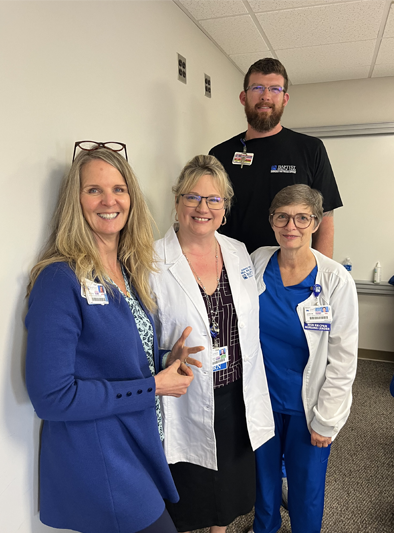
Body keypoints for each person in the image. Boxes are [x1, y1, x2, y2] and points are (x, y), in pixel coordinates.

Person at [25, 142, 204, 533]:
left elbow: (112, 356)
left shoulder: (128, 269)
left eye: (119, 189)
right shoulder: (60, 280)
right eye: (94, 190)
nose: (109, 200)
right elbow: (52, 397)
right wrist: (154, 385)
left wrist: (161, 359)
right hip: (101, 459)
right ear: (76, 200)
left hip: (136, 444)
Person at [149, 155, 274, 533]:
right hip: (185, 394)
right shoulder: (151, 259)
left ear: (225, 207)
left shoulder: (237, 252)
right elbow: (140, 331)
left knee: (230, 495)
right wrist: (162, 357)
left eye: (214, 199)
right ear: (176, 201)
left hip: (236, 393)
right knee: (190, 495)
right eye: (192, 197)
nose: (203, 208)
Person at [249, 184, 358, 533]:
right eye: (282, 216)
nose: (290, 225)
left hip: (308, 405)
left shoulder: (335, 280)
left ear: (314, 223)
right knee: (263, 483)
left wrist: (327, 419)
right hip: (262, 400)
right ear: (271, 220)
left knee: (306, 489)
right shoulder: (257, 261)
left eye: (301, 217)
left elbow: (343, 358)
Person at [209, 58, 342, 257]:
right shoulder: (220, 155)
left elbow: (325, 217)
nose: (265, 96)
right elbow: (209, 214)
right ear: (243, 97)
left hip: (290, 273)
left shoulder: (310, 149)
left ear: (285, 99)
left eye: (275, 89)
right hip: (231, 270)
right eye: (257, 88)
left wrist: (320, 276)